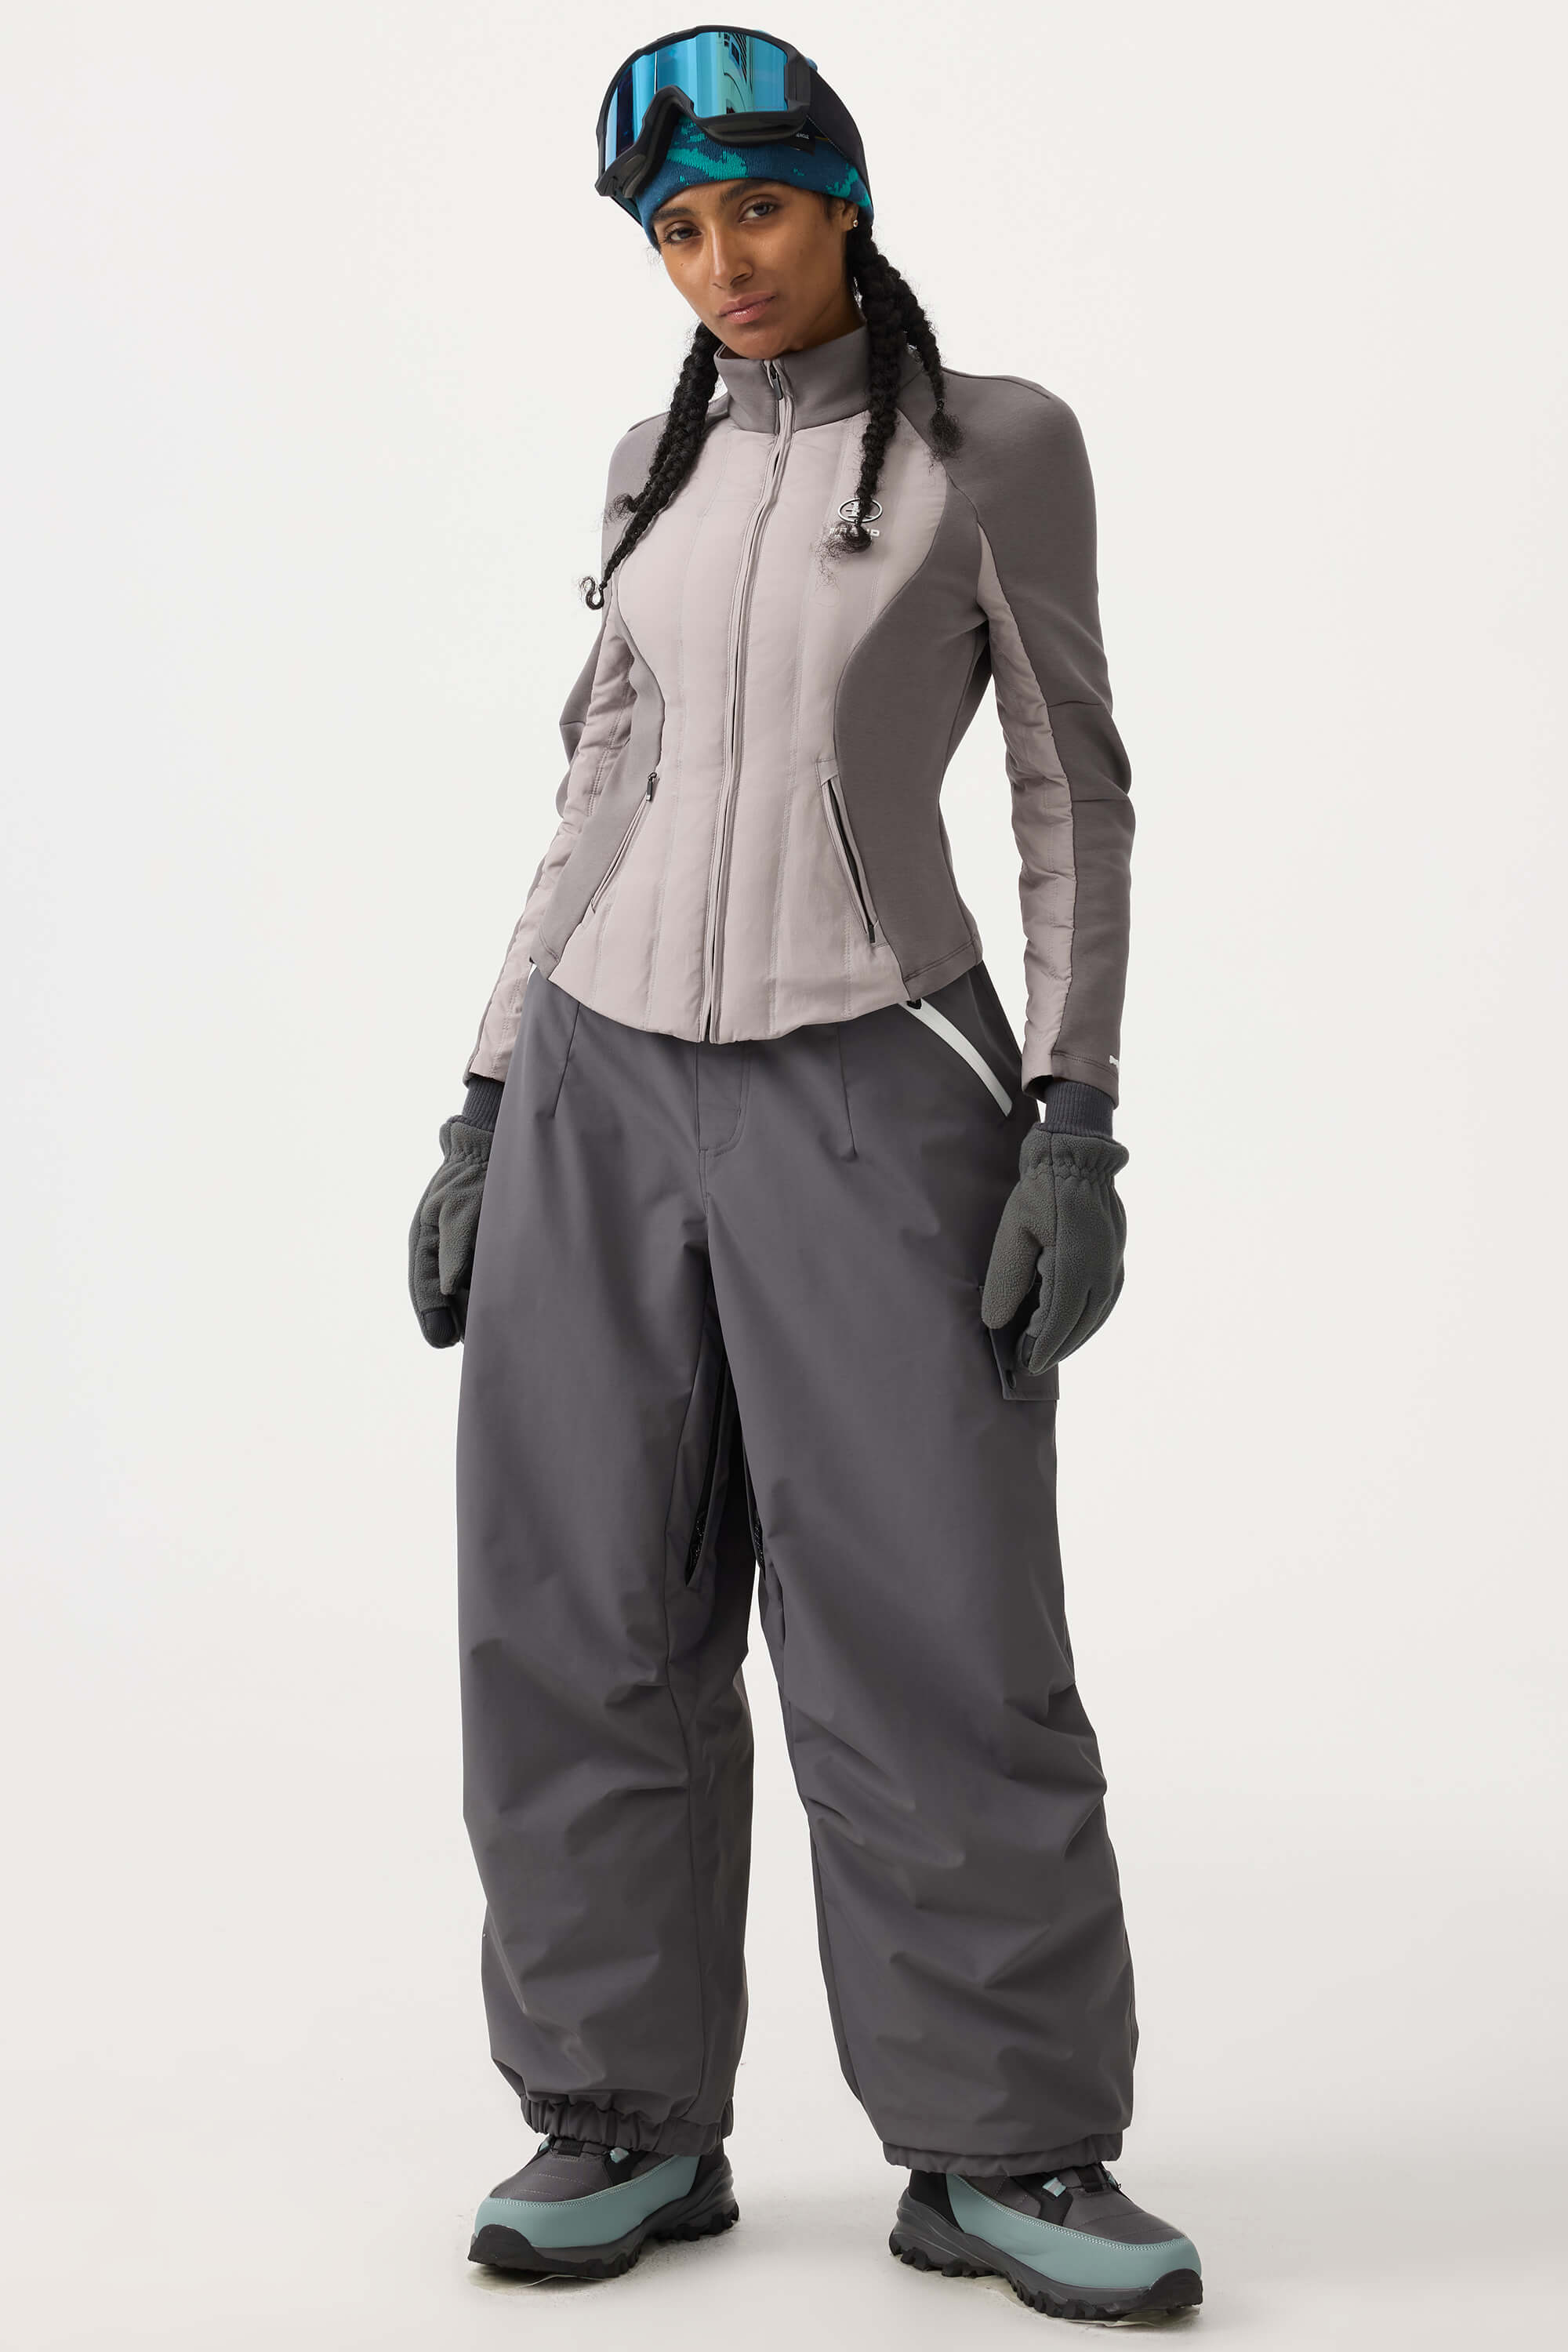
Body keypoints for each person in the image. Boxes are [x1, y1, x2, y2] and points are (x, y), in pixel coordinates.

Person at [408, 25, 1202, 2325]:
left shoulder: (991, 448)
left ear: (840, 202)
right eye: (676, 230)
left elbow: (1069, 792)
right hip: (599, 1080)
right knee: (575, 1604)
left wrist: (1073, 1116)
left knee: (934, 1618)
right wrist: (483, 1098)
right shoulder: (650, 467)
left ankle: (1007, 2145)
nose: (721, 261)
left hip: (876, 1073)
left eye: (755, 208)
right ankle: (620, 2115)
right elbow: (598, 792)